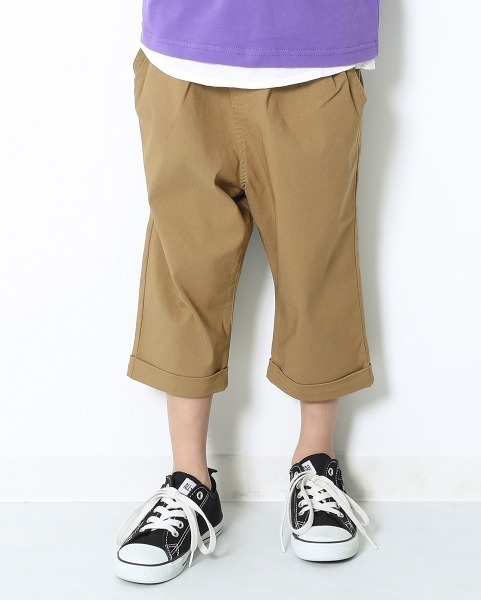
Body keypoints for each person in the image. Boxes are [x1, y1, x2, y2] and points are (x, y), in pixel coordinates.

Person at [115, 0, 380, 584]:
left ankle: (316, 462)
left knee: (317, 268)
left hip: (314, 57)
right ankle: (189, 480)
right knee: (183, 273)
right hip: (182, 55)